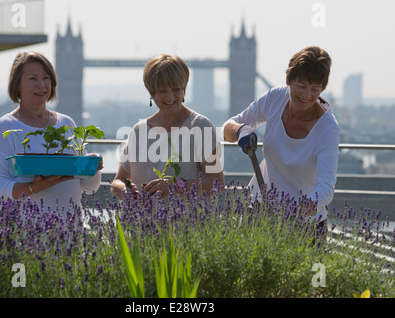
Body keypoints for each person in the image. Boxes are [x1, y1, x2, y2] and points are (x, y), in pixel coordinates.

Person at [222, 46, 339, 232]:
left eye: (315, 89)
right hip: (260, 209)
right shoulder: (275, 98)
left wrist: (299, 209)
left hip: (305, 223)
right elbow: (227, 129)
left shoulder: (328, 129)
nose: (307, 95)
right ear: (288, 80)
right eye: (301, 86)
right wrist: (241, 130)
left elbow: (326, 188)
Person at [0, 51, 103, 213]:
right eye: (33, 78)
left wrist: (93, 169)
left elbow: (88, 187)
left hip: (72, 232)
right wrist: (32, 188)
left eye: (46, 78)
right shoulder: (5, 127)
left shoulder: (67, 123)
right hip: (25, 233)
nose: (41, 84)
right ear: (17, 84)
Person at [111, 54, 224, 200]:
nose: (170, 97)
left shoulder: (201, 127)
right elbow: (117, 181)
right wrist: (126, 192)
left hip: (187, 222)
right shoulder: (138, 131)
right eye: (162, 91)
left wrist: (175, 186)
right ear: (152, 93)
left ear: (184, 89)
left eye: (176, 89)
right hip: (141, 221)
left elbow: (217, 184)